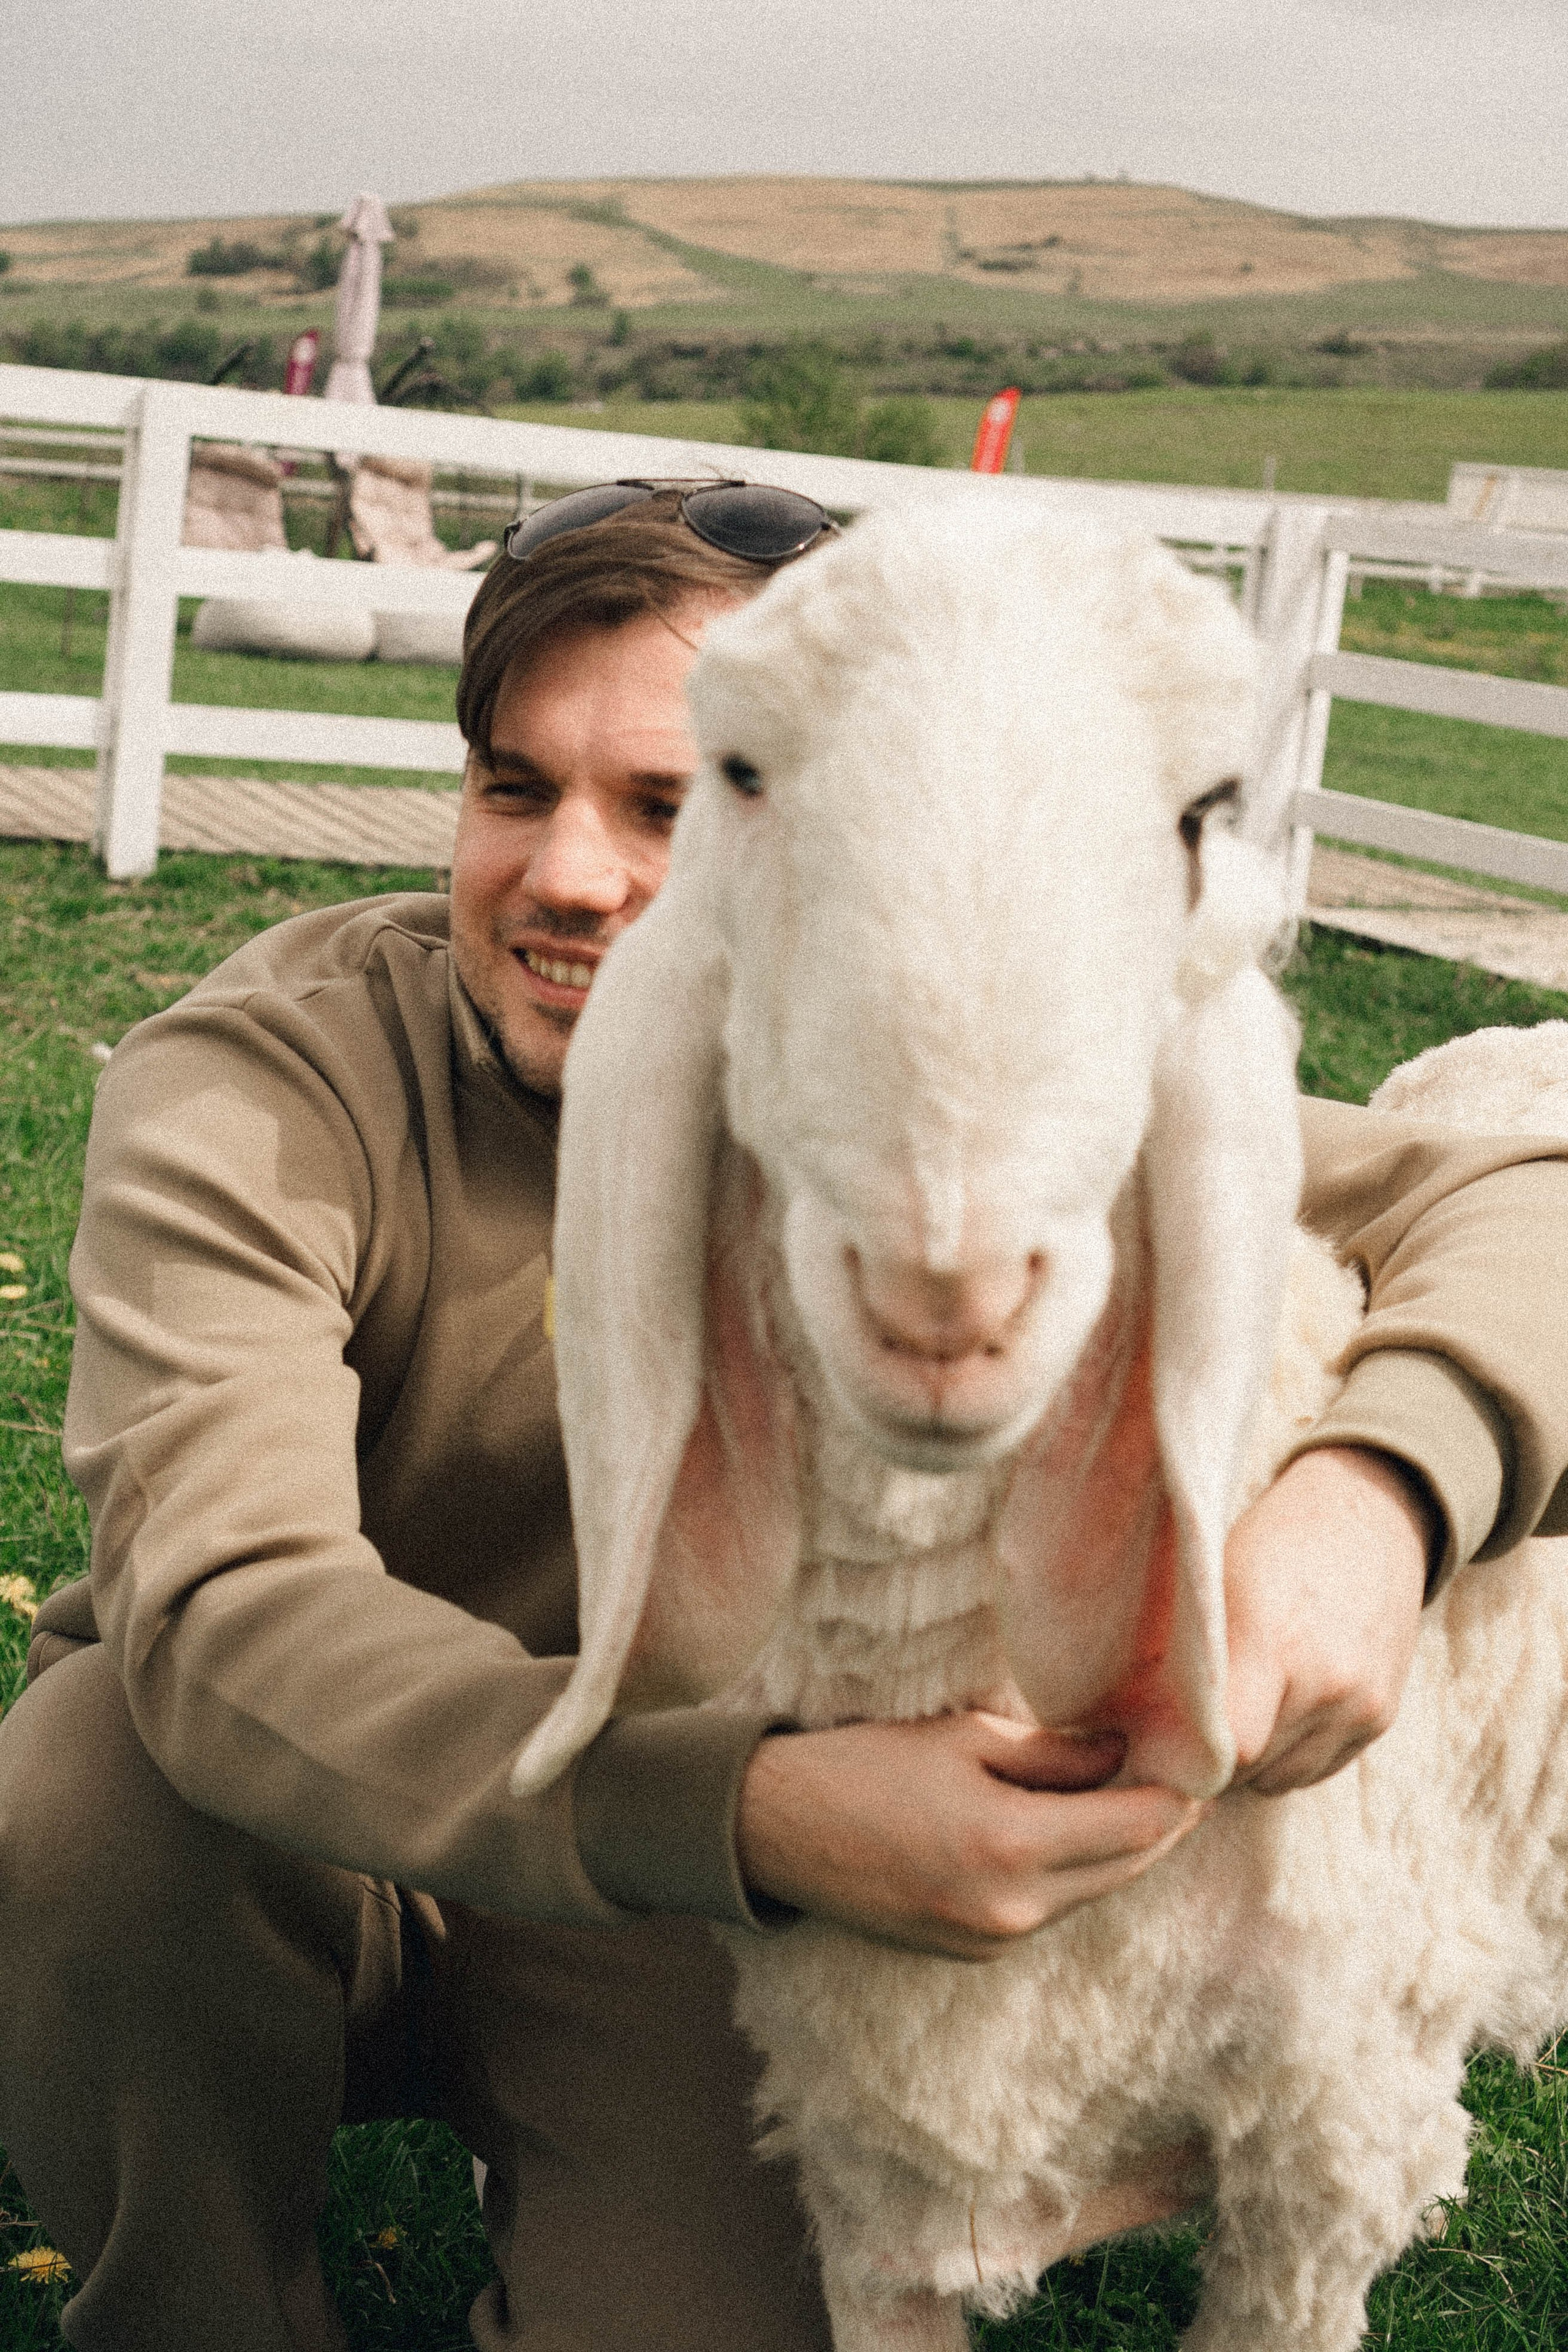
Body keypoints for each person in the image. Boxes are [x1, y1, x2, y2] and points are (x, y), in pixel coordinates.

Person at [2, 479, 1566, 2352]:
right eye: (515, 786)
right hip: (381, 1825)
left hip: (702, 1921)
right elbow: (222, 1604)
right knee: (90, 1782)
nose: (571, 875)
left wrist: (1382, 1495)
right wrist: (749, 1810)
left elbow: (1528, 1204)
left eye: (672, 806)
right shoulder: (266, 1084)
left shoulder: (940, 1083)